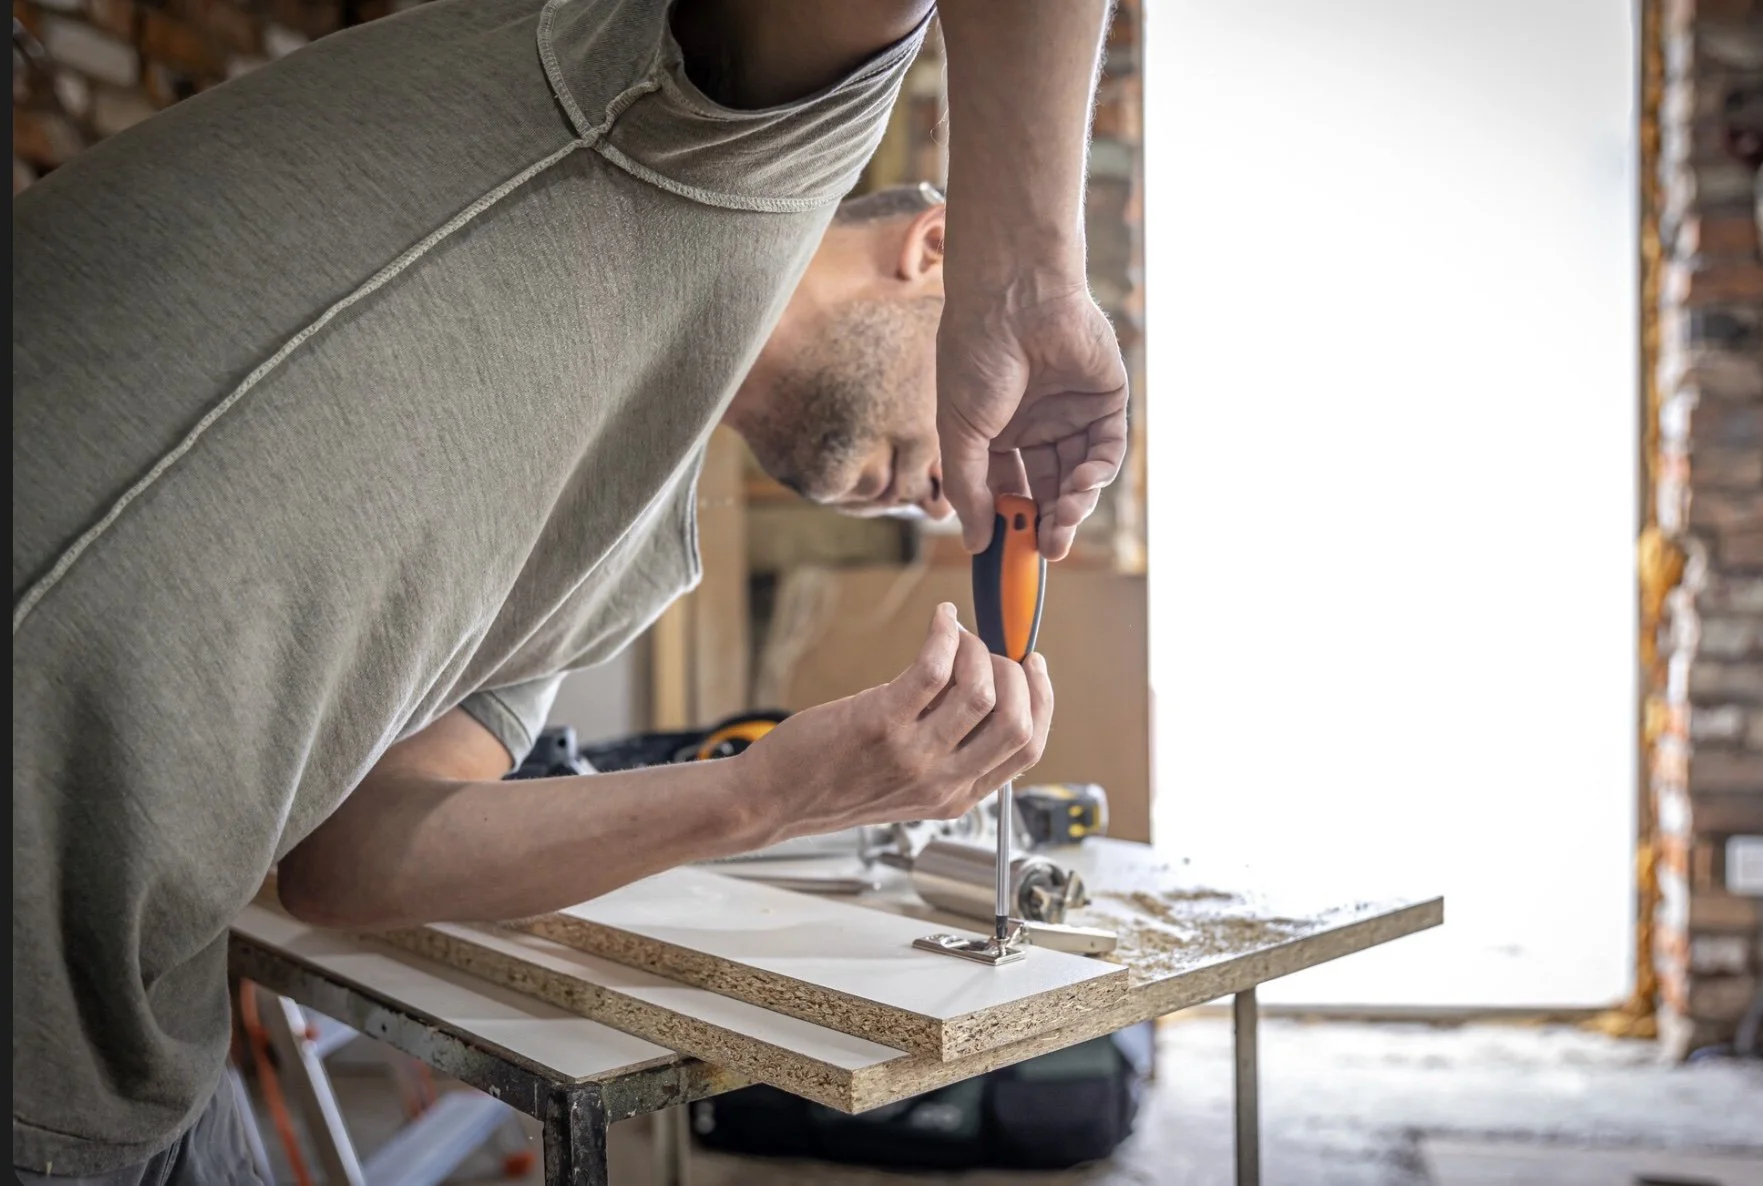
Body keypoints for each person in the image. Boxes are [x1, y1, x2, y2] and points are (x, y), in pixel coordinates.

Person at [10, 0, 1129, 1180]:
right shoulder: (733, 137)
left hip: (106, 1047)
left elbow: (356, 858)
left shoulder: (630, 549)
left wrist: (771, 794)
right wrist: (1034, 279)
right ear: (936, 249)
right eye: (972, 432)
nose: (954, 500)